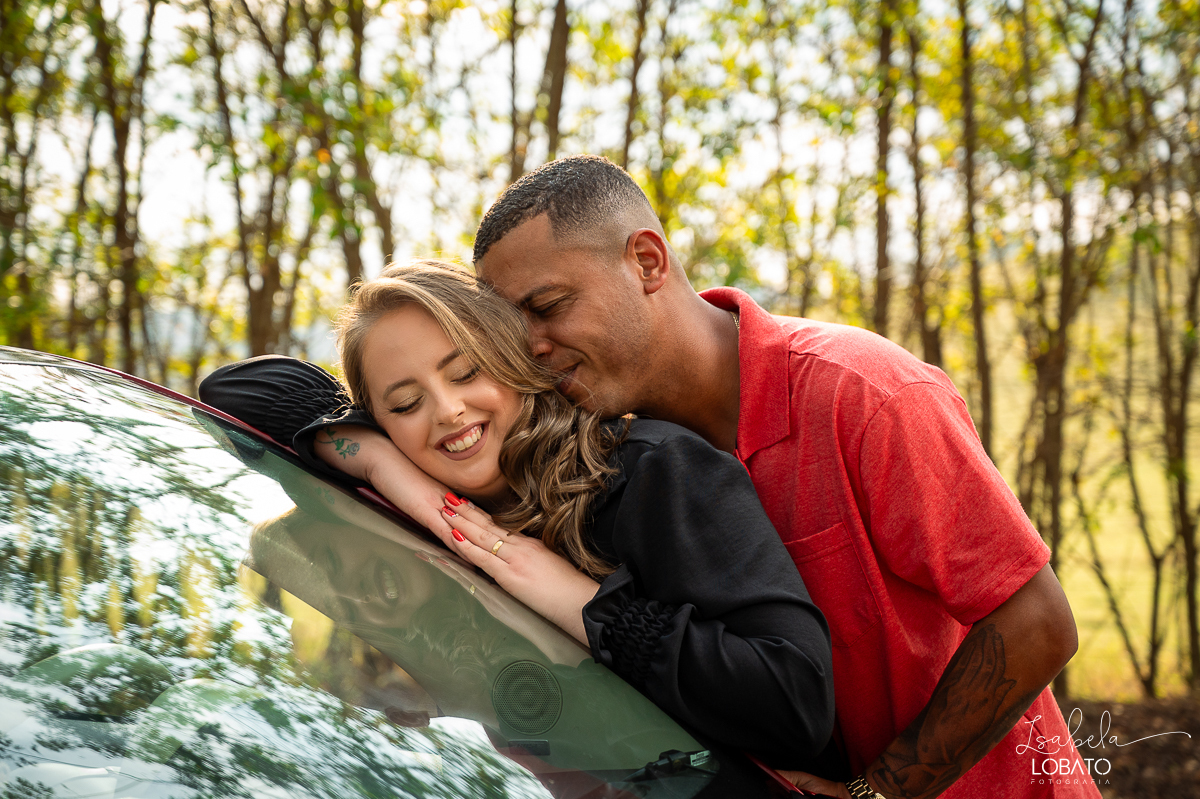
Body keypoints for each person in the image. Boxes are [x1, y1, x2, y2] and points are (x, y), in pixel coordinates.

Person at [469, 155, 1099, 799]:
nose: (531, 346)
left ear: (647, 262)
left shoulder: (864, 393)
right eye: (511, 329)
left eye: (547, 306)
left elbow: (1037, 621)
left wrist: (878, 793)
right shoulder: (614, 466)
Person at [199, 260, 844, 777]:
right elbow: (230, 398)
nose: (448, 411)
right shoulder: (440, 513)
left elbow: (795, 702)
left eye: (467, 372)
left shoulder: (649, 471)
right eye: (405, 403)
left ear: (513, 363)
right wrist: (379, 466)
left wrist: (585, 607)